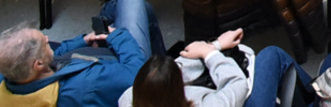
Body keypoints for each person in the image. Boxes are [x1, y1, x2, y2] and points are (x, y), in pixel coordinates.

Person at [0, 0, 163, 107]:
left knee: (144, 11)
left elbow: (55, 58)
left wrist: (84, 40)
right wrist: (116, 36)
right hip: (135, 70)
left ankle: (165, 63)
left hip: (95, 63)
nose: (48, 38)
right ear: (38, 65)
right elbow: (137, 75)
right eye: (44, 42)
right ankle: (166, 74)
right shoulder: (85, 85)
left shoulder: (1, 82)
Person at [121, 31, 306, 107]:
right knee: (272, 55)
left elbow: (177, 68)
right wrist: (210, 53)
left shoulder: (127, 99)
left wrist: (216, 45)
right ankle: (320, 96)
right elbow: (237, 84)